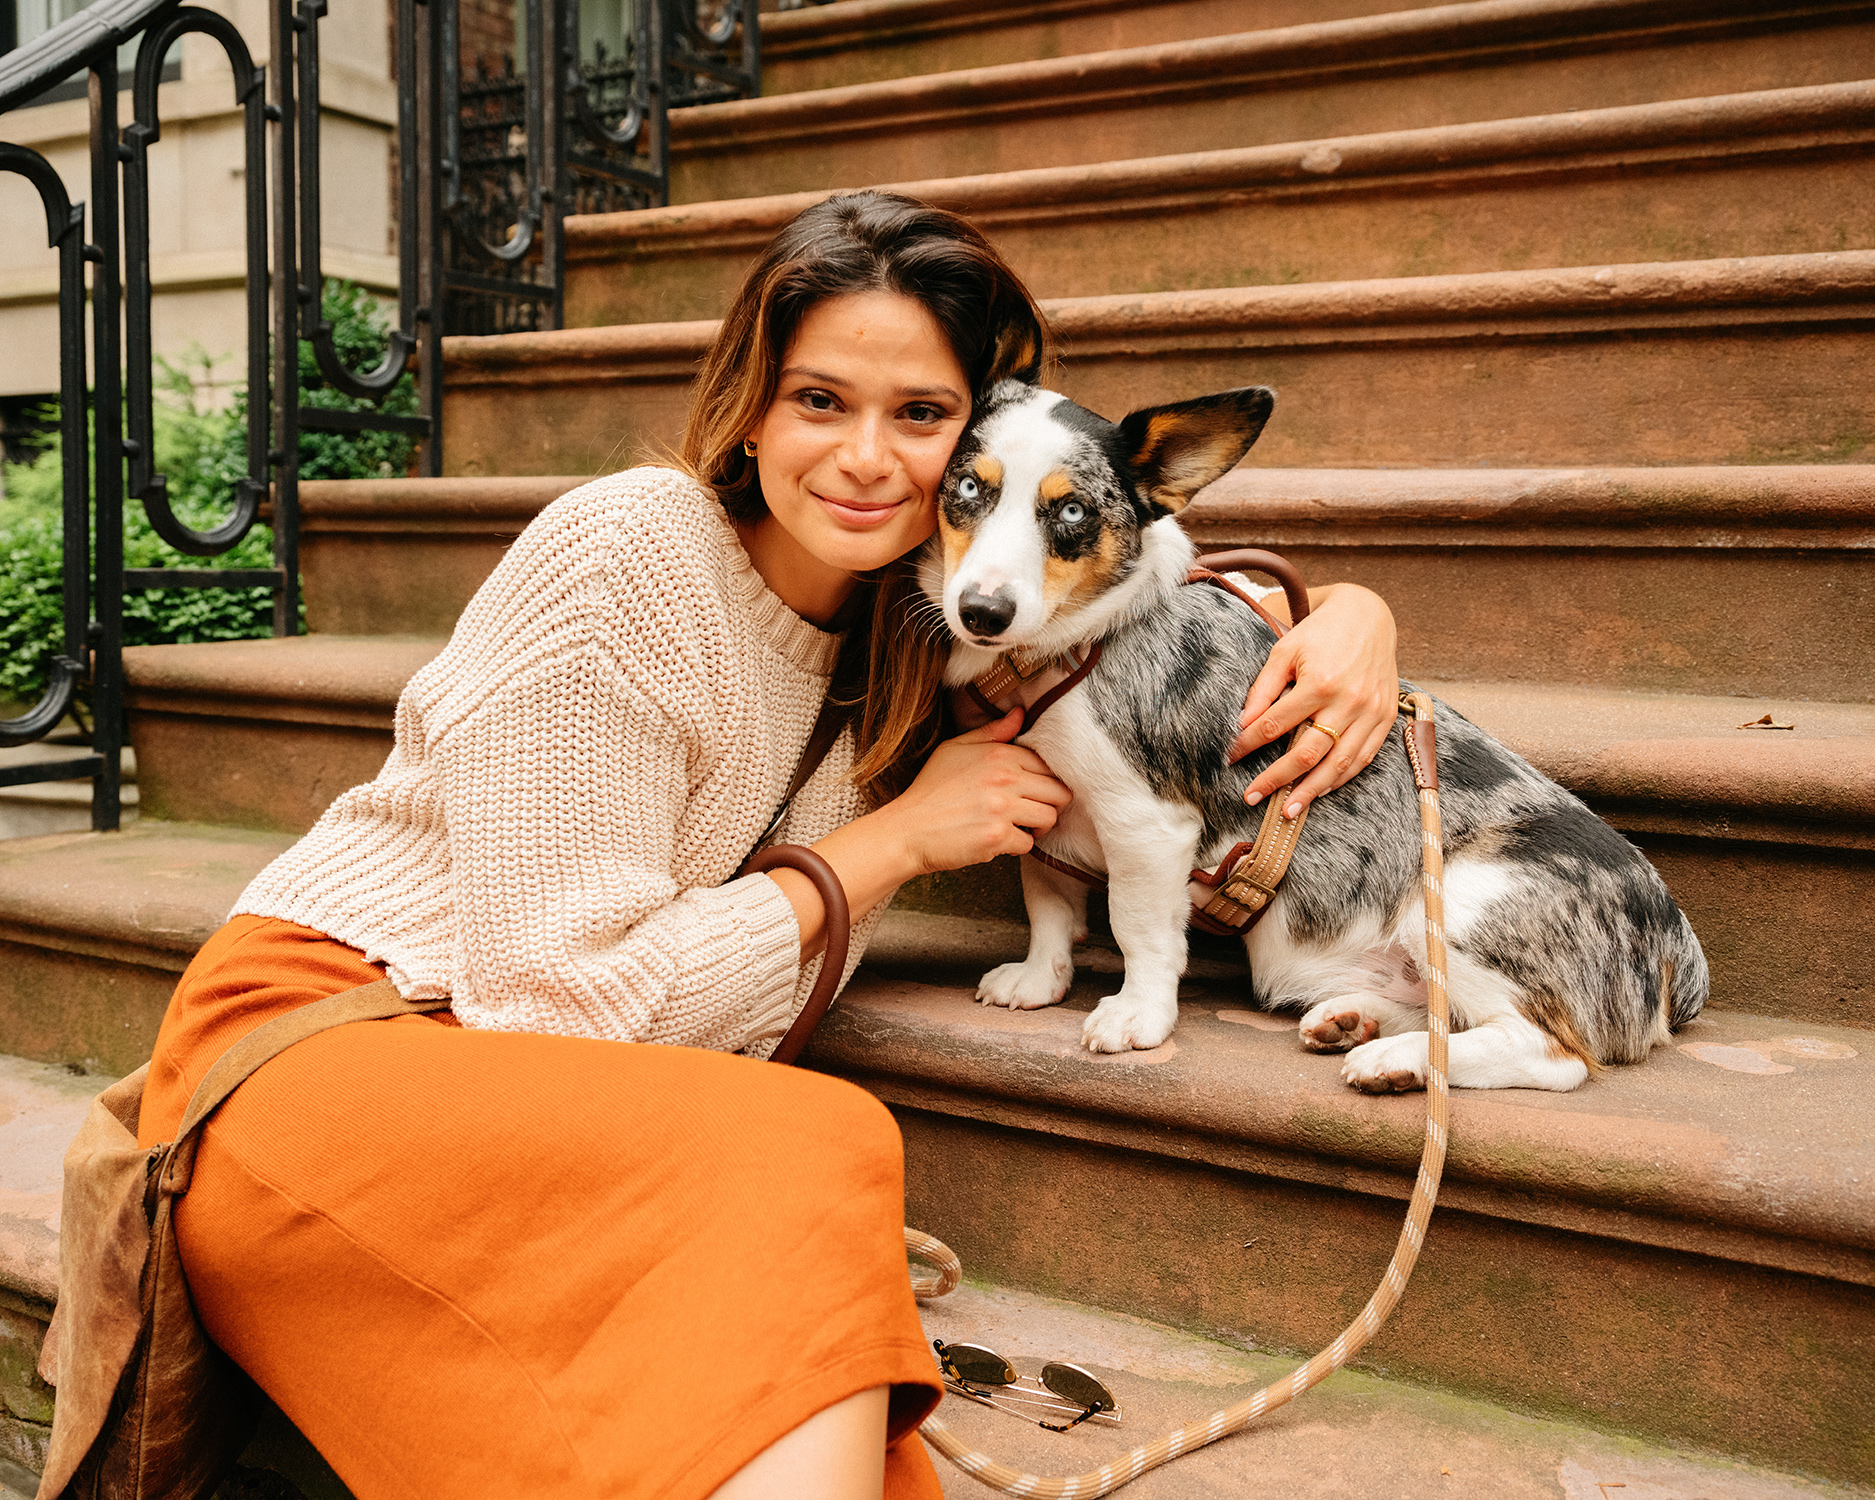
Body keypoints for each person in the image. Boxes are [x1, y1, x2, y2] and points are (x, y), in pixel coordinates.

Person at [135, 191, 1400, 1499]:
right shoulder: (625, 551)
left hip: (567, 1108)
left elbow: (1136, 582)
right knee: (817, 1148)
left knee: (805, 1319)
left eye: (920, 415)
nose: (864, 457)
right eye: (818, 402)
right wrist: (889, 846)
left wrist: (1345, 609)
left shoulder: (916, 633)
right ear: (752, 406)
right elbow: (554, 1004)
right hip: (342, 1050)